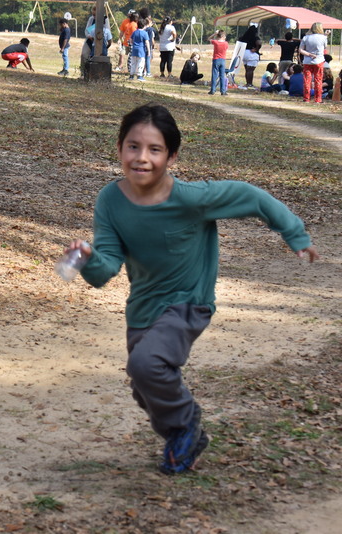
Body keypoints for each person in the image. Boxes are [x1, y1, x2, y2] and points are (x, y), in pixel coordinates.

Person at [63, 103, 319, 475]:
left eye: (155, 149)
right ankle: (186, 434)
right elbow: (106, 271)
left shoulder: (193, 199)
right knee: (144, 386)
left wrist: (294, 235)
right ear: (119, 148)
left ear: (171, 156)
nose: (142, 158)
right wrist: (85, 258)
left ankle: (185, 424)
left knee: (146, 365)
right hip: (143, 309)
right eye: (133, 146)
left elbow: (253, 197)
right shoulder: (110, 201)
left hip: (189, 303)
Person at [299, 23, 328, 103]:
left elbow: (301, 50)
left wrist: (309, 54)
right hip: (319, 61)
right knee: (318, 80)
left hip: (307, 61)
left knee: (307, 80)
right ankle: (318, 99)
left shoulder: (305, 37)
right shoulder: (323, 38)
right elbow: (325, 47)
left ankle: (306, 98)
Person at [208, 30, 228, 95]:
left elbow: (209, 39)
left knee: (214, 75)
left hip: (216, 59)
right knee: (222, 76)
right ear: (222, 36)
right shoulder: (226, 43)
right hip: (223, 60)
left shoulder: (215, 42)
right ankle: (223, 91)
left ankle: (213, 90)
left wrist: (214, 34)